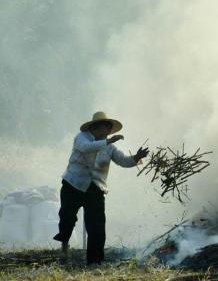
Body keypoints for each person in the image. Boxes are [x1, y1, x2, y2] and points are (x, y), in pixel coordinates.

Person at [53, 111, 149, 265]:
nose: (107, 132)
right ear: (95, 128)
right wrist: (108, 141)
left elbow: (123, 161)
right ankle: (64, 245)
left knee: (97, 224)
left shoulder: (109, 147)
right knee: (67, 218)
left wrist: (137, 158)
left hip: (95, 187)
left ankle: (95, 260)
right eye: (105, 128)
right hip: (73, 184)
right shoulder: (82, 138)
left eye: (109, 129)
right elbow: (86, 148)